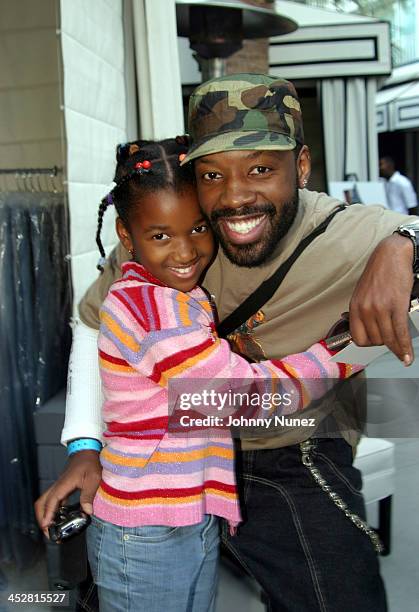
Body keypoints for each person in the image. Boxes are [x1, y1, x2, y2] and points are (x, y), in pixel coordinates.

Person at [35, 74, 419, 612]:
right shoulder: (167, 237)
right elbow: (93, 322)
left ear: (301, 167)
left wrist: (404, 245)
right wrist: (83, 444)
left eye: (261, 169)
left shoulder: (349, 235)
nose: (236, 196)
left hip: (289, 446)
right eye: (213, 174)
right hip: (165, 466)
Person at [81, 137, 361, 612]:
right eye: (161, 236)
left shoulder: (174, 296)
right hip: (148, 530)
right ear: (126, 236)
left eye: (197, 229)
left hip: (181, 514)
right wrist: (335, 358)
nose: (186, 251)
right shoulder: (149, 308)